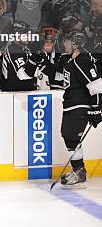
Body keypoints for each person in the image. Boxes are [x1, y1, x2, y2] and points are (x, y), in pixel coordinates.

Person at [44, 30, 102, 188]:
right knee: (68, 136)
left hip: (80, 105)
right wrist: (44, 67)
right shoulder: (69, 60)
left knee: (70, 135)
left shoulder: (82, 60)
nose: (64, 44)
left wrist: (96, 108)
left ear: (76, 44)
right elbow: (60, 79)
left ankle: (79, 171)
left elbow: (96, 85)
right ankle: (79, 170)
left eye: (68, 41)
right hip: (70, 103)